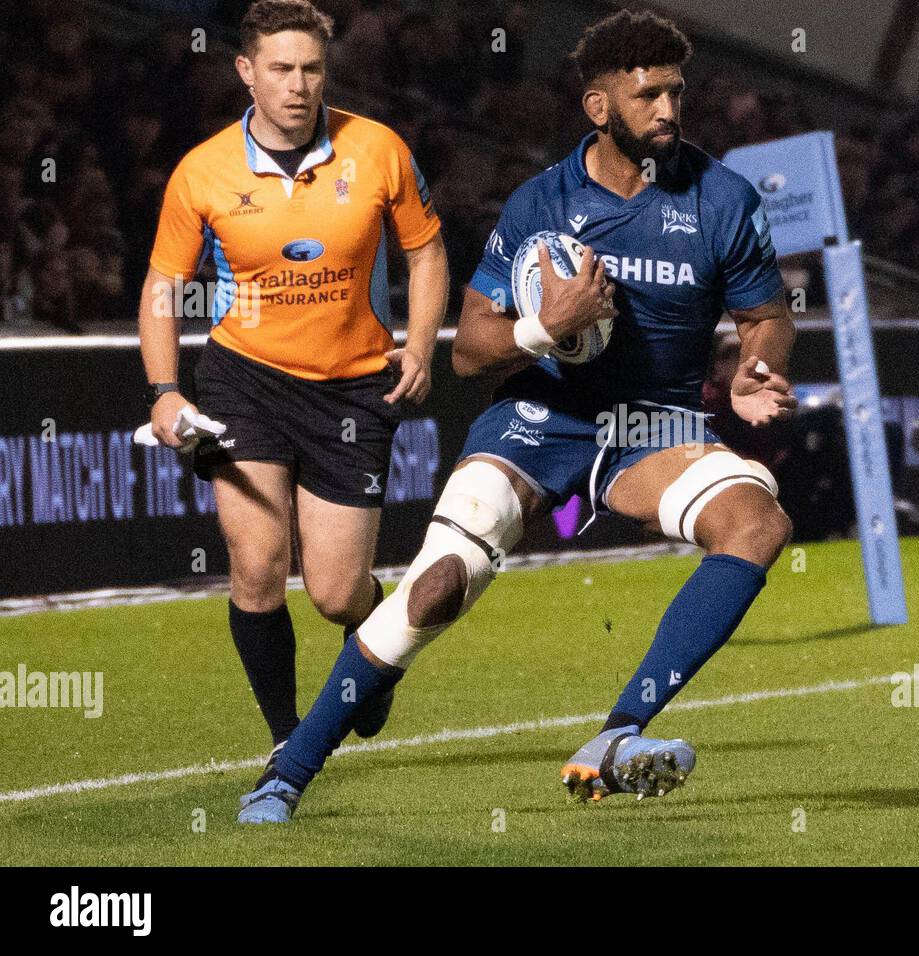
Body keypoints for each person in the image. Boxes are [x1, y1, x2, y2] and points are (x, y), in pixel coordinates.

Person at [238, 8, 796, 823]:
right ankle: (288, 773)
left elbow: (767, 313)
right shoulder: (545, 201)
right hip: (542, 414)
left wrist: (759, 365)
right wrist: (547, 326)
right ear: (600, 108)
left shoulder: (723, 198)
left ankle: (615, 738)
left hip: (653, 424)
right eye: (648, 96)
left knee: (758, 523)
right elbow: (470, 351)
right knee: (436, 588)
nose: (669, 111)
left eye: (676, 93)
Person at [138, 0, 448, 768]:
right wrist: (164, 390)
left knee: (338, 593)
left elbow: (429, 252)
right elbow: (161, 286)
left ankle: (372, 640)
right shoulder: (202, 171)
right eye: (280, 68)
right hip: (244, 382)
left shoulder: (377, 149)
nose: (298, 84)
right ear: (247, 71)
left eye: (311, 68)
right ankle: (286, 739)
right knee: (256, 568)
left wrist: (420, 347)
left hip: (354, 390)